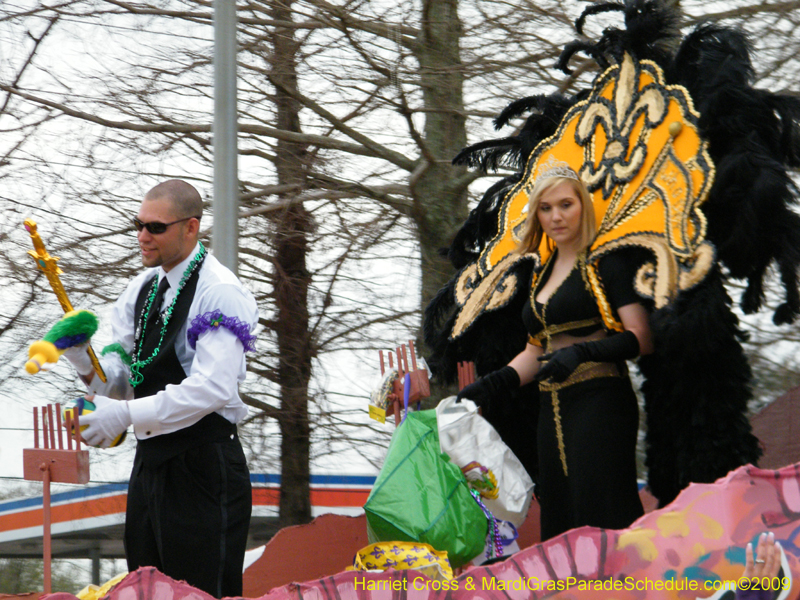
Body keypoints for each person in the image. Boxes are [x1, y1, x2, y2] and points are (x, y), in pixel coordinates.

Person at [63, 179, 258, 598]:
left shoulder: (220, 290)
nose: (142, 236)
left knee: (203, 592)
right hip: (151, 465)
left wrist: (125, 415)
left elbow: (213, 388)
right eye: (138, 224)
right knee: (148, 590)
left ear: (191, 227)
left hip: (203, 465)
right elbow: (119, 384)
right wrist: (81, 358)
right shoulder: (141, 290)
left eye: (155, 227)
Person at [457, 164, 653, 541]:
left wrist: (582, 353)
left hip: (601, 401)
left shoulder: (607, 261)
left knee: (603, 512)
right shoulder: (541, 273)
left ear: (584, 205)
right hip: (552, 408)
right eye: (545, 208)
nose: (556, 216)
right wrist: (494, 383)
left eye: (565, 204)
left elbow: (641, 337)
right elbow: (537, 348)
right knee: (560, 515)